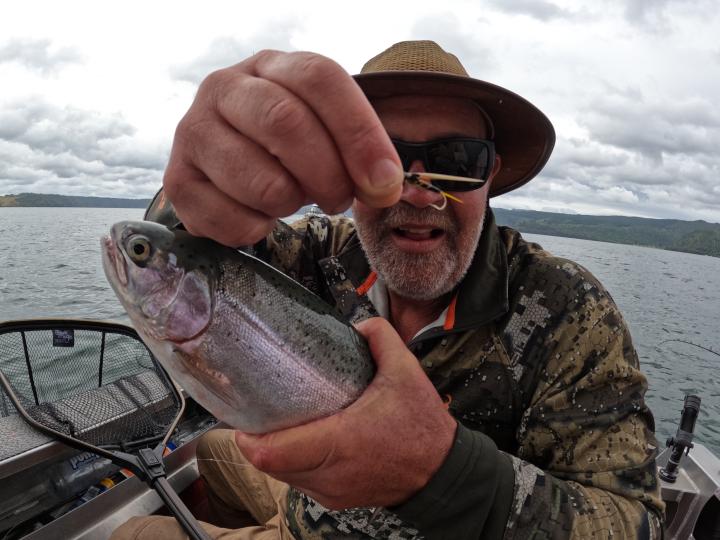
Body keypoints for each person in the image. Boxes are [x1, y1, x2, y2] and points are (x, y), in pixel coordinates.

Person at [111, 41, 663, 539]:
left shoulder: (567, 311)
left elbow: (633, 523)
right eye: (389, 158)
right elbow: (199, 253)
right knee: (212, 449)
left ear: (490, 176)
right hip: (307, 512)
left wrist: (441, 473)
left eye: (456, 162)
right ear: (347, 171)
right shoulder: (324, 252)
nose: (419, 195)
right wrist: (195, 184)